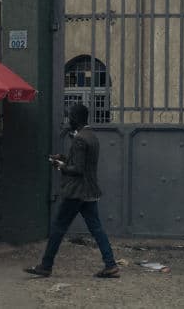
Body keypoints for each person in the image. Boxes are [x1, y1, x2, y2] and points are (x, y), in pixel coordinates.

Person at [25, 103, 119, 279]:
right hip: (89, 191)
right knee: (97, 228)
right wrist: (65, 159)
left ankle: (46, 266)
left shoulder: (79, 139)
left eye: (70, 117)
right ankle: (111, 265)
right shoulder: (91, 136)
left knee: (58, 227)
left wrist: (60, 166)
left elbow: (78, 170)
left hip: (76, 192)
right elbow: (81, 163)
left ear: (76, 118)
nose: (68, 120)